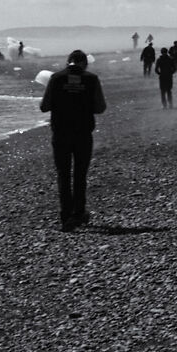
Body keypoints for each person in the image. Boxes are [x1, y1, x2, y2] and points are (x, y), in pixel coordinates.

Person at [38, 50, 107, 228]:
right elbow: (100, 107)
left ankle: (65, 215)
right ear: (84, 63)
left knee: (63, 174)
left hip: (60, 132)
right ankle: (79, 212)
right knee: (80, 174)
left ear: (68, 61)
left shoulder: (56, 78)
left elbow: (44, 107)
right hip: (83, 133)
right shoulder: (91, 79)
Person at [156, 42, 177, 107]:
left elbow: (156, 69)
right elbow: (174, 68)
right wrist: (171, 73)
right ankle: (170, 104)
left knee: (163, 92)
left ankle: (164, 105)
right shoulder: (170, 59)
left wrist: (160, 74)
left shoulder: (159, 60)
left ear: (161, 52)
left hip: (162, 77)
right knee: (169, 91)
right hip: (169, 77)